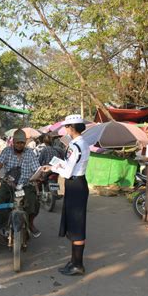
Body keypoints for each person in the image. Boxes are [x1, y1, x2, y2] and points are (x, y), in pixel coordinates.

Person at [41, 114, 90, 276]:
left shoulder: (76, 146)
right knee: (74, 224)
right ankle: (74, 261)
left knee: (77, 226)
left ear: (72, 128)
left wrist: (53, 168)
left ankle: (78, 264)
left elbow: (68, 172)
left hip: (75, 185)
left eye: (67, 127)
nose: (66, 130)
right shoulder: (79, 143)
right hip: (77, 184)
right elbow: (69, 165)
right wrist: (55, 165)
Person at [0, 129, 41, 241]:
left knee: (34, 202)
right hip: (8, 184)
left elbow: (36, 169)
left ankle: (31, 223)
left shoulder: (30, 153)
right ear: (13, 142)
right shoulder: (7, 151)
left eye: (22, 143)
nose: (20, 145)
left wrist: (39, 174)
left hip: (25, 184)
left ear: (25, 143)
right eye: (18, 142)